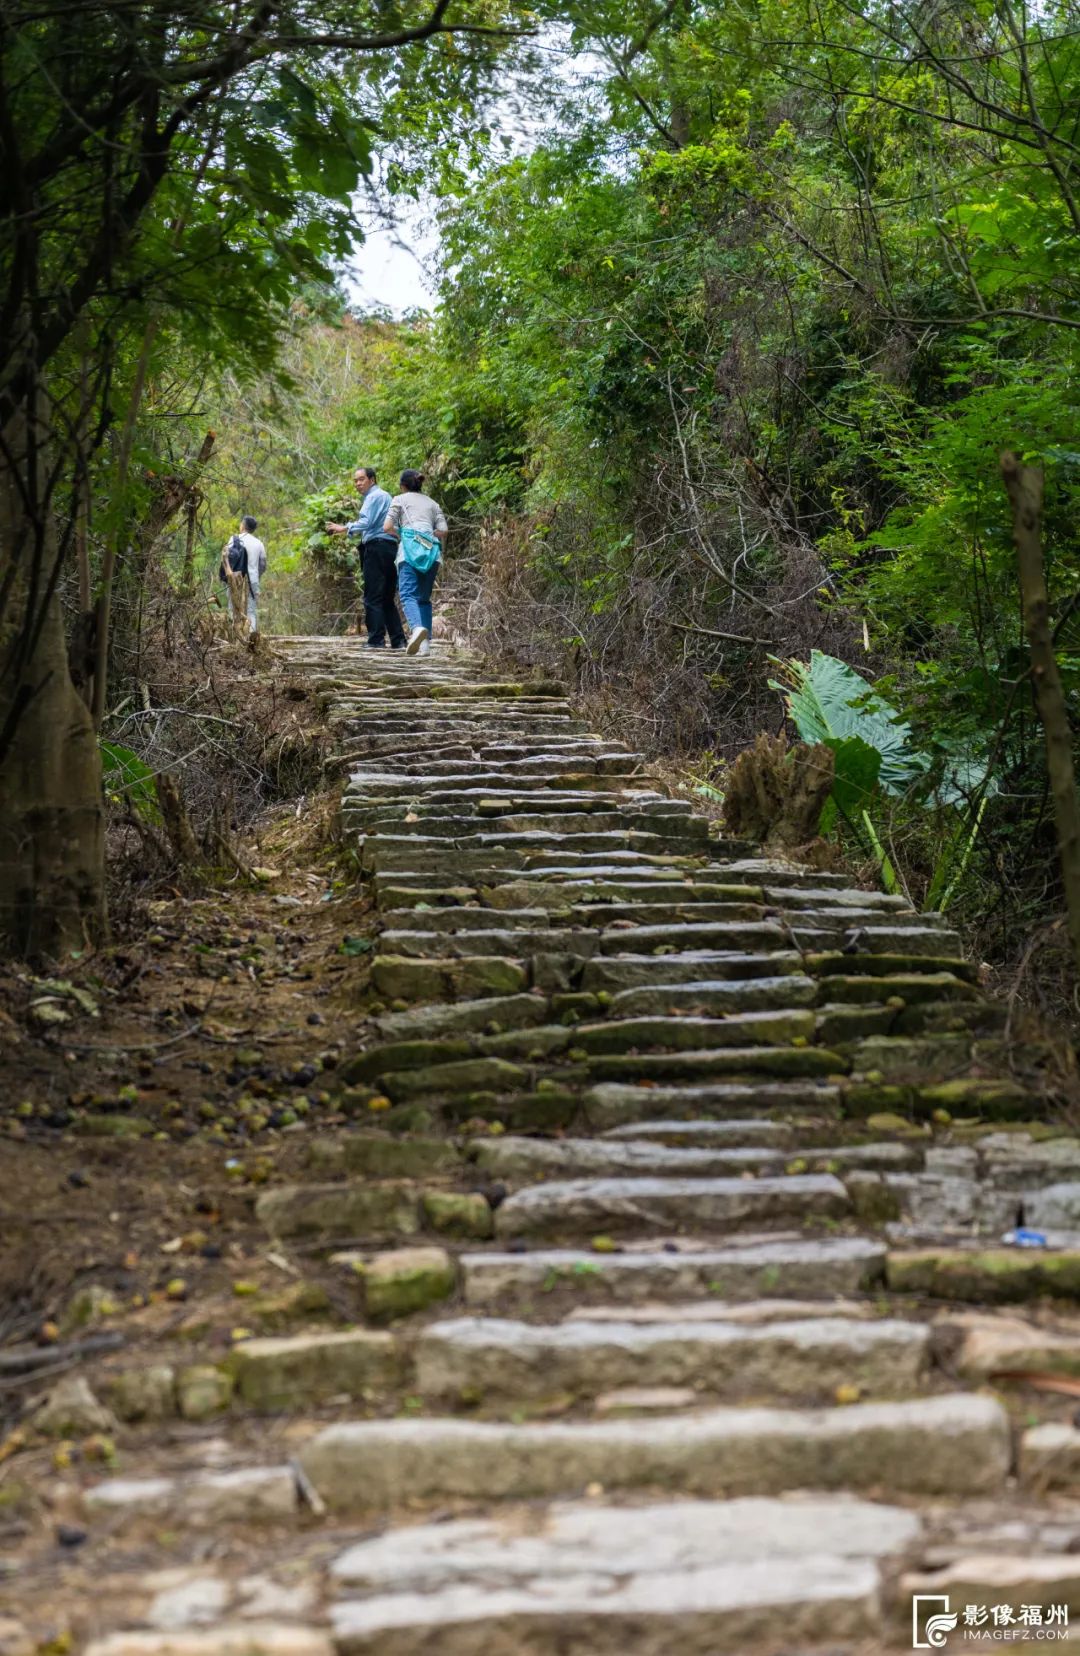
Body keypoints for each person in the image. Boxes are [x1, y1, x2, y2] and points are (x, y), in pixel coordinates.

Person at [327, 466, 405, 650]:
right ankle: (398, 640)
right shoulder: (385, 496)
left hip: (376, 547)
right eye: (355, 480)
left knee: (372, 596)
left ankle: (376, 640)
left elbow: (366, 522)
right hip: (390, 548)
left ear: (372, 479)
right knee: (386, 597)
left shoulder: (374, 497)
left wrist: (343, 527)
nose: (357, 484)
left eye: (361, 479)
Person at [383, 469, 447, 656]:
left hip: (409, 553)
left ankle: (416, 628)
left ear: (403, 485)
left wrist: (402, 533)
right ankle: (425, 645)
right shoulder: (433, 503)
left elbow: (387, 527)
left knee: (408, 594)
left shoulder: (399, 500)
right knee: (424, 599)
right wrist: (426, 535)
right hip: (432, 554)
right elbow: (443, 530)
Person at [220, 514, 266, 634]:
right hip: (252, 581)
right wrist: (256, 576)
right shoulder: (259, 543)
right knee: (251, 611)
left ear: (243, 526)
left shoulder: (234, 539)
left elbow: (227, 559)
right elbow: (263, 564)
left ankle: (235, 637)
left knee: (233, 608)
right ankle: (250, 640)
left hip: (234, 579)